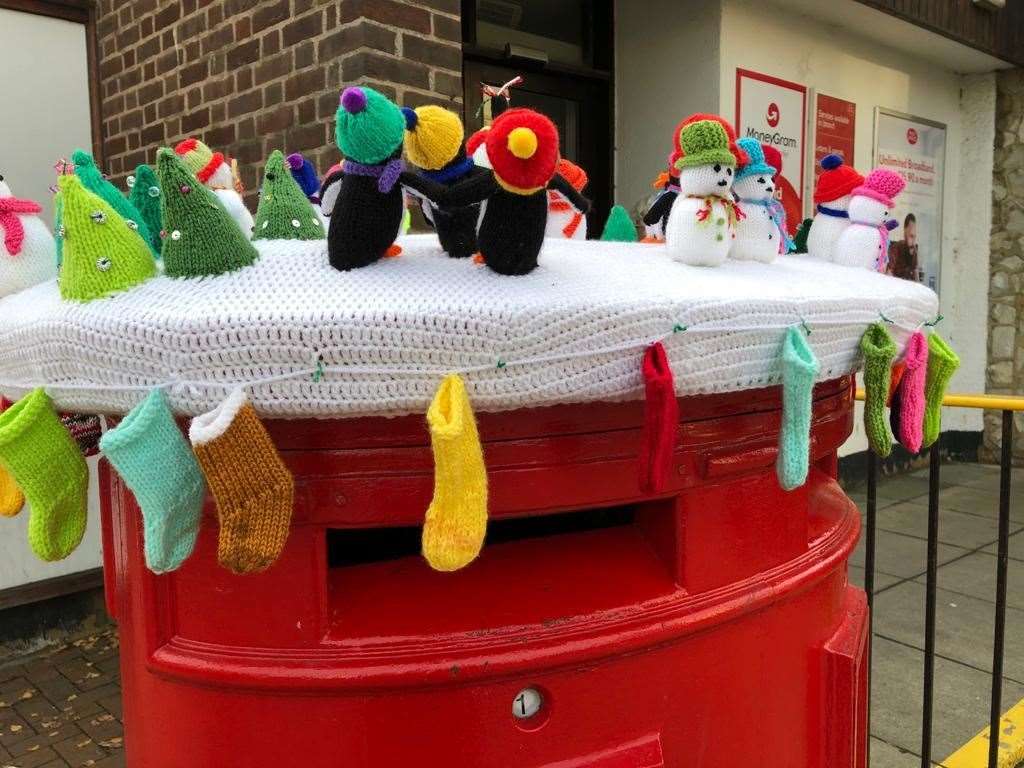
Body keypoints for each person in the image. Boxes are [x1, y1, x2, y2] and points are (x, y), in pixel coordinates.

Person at [888, 212, 920, 281]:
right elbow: (889, 272)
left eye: (914, 237)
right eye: (911, 236)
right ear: (905, 231)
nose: (913, 241)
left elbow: (916, 272)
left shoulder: (914, 250)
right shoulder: (896, 248)